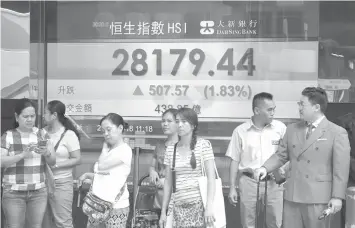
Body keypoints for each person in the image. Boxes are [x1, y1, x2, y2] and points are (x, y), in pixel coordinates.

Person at [254, 87, 351, 228]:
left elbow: (341, 169)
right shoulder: (292, 129)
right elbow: (281, 155)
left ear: (316, 107)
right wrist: (264, 168)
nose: (299, 107)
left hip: (319, 197)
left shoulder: (336, 132)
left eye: (302, 104)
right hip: (293, 196)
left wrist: (337, 197)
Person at [226, 92, 287, 228]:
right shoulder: (240, 131)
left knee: (275, 223)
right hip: (249, 181)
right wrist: (232, 188)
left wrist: (284, 172)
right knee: (248, 224)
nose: (273, 113)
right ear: (257, 110)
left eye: (274, 109)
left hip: (274, 182)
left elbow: (287, 155)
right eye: (269, 110)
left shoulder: (280, 128)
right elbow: (234, 160)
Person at [1, 98, 56, 228]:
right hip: (14, 191)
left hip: (38, 191)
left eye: (32, 116)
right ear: (16, 116)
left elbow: (53, 161)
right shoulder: (8, 135)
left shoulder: (42, 134)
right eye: (25, 116)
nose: (30, 119)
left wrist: (46, 153)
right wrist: (22, 155)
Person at [159, 108, 216, 228]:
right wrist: (163, 211)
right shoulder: (171, 149)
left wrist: (209, 206)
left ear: (193, 125)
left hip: (199, 207)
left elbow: (211, 179)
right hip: (177, 207)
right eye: (178, 121)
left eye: (184, 122)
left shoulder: (203, 145)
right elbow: (168, 183)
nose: (180, 125)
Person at [78, 113, 132, 228]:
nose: (106, 134)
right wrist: (88, 175)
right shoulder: (109, 149)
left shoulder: (125, 150)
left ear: (120, 128)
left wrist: (103, 149)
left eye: (109, 129)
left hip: (116, 207)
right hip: (97, 204)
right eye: (103, 131)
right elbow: (106, 175)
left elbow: (102, 166)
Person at [42, 100, 81, 228]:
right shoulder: (41, 132)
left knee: (63, 222)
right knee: (44, 222)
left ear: (54, 115)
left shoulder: (69, 135)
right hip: (42, 183)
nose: (43, 115)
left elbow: (77, 159)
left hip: (62, 183)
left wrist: (56, 164)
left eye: (45, 113)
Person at [149, 109, 179, 217]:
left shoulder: (183, 146)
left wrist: (166, 181)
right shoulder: (160, 145)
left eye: (169, 121)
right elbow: (152, 166)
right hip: (161, 198)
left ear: (178, 123)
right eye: (163, 121)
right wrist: (152, 172)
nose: (165, 124)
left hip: (178, 200)